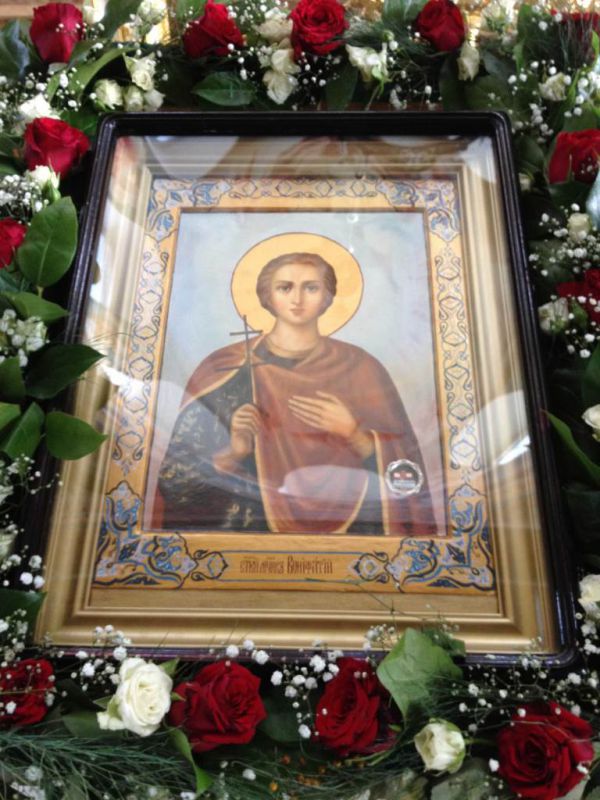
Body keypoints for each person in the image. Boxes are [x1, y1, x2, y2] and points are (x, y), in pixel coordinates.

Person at [152, 252, 435, 536]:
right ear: (267, 295)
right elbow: (176, 483)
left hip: (358, 530)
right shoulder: (223, 369)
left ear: (327, 296)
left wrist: (355, 435)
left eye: (311, 288)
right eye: (285, 287)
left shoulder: (362, 368)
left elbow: (409, 477)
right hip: (248, 531)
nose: (297, 299)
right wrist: (233, 453)